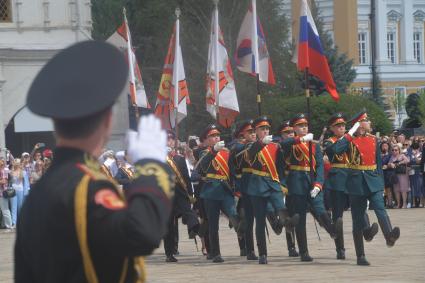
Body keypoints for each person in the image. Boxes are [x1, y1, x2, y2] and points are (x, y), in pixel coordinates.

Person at [15, 41, 173, 283]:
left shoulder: (38, 195)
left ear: (56, 124)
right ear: (108, 120)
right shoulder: (87, 187)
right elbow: (143, 232)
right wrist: (152, 167)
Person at [280, 113, 342, 262]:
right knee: (300, 217)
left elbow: (320, 166)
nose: (304, 128)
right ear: (294, 128)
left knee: (320, 209)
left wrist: (319, 184)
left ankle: (332, 230)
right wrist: (300, 139)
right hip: (297, 183)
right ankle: (304, 251)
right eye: (300, 126)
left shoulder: (314, 145)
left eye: (305, 126)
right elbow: (283, 145)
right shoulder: (291, 143)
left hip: (312, 182)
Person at [341, 111, 400, 265]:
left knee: (380, 208)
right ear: (359, 124)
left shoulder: (374, 141)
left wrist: (380, 184)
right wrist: (350, 133)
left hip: (373, 182)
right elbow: (334, 150)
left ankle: (389, 236)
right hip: (356, 183)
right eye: (366, 120)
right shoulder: (349, 140)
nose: (369, 122)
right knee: (358, 218)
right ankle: (360, 255)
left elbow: (378, 164)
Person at [323, 113, 378, 260]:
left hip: (352, 178)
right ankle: (340, 249)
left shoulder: (353, 139)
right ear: (332, 128)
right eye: (338, 126)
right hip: (337, 182)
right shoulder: (329, 141)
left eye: (343, 125)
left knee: (359, 208)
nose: (342, 128)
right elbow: (333, 151)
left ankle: (366, 231)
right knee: (338, 218)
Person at [245, 116, 299, 264]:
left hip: (273, 183)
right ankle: (262, 253)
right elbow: (250, 155)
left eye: (267, 128)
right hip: (257, 185)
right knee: (260, 221)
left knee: (281, 208)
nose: (265, 131)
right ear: (255, 131)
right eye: (262, 129)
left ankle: (286, 223)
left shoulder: (275, 146)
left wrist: (282, 183)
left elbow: (280, 166)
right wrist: (261, 143)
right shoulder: (251, 146)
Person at [197, 124, 240, 263]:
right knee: (213, 225)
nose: (216, 138)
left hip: (225, 189)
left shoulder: (226, 152)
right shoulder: (204, 153)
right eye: (212, 136)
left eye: (217, 136)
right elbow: (203, 166)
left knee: (233, 214)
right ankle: (216, 253)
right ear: (206, 139)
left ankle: (243, 237)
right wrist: (214, 151)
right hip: (211, 191)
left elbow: (232, 171)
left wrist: (236, 189)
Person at [163, 130, 199, 262]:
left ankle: (194, 229)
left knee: (188, 211)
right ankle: (169, 252)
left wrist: (191, 193)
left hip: (180, 192)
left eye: (172, 138)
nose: (169, 141)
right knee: (169, 225)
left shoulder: (179, 158)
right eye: (166, 139)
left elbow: (186, 177)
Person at [230, 120, 258, 260]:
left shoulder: (259, 145)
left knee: (251, 218)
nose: (253, 134)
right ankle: (248, 249)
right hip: (243, 188)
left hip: (258, 184)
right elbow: (232, 168)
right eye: (250, 132)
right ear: (243, 134)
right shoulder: (238, 148)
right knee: (246, 218)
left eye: (254, 132)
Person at [275, 120, 299, 257]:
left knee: (295, 214)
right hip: (282, 182)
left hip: (296, 182)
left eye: (292, 132)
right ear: (281, 135)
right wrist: (281, 183)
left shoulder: (297, 145)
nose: (290, 134)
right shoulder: (280, 146)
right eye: (287, 132)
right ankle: (291, 247)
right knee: (288, 214)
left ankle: (280, 224)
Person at [388, 143, 410, 208]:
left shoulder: (402, 155)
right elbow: (388, 163)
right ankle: (398, 204)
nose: (394, 151)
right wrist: (390, 164)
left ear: (399, 150)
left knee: (403, 189)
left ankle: (404, 204)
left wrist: (399, 163)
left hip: (403, 174)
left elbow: (407, 160)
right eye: (393, 150)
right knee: (396, 189)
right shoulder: (392, 157)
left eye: (396, 150)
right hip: (395, 174)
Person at [407, 142, 424, 207]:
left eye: (416, 148)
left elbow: (419, 162)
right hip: (412, 172)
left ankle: (421, 202)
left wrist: (415, 155)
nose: (415, 149)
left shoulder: (421, 154)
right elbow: (408, 162)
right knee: (413, 187)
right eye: (413, 148)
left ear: (419, 148)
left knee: (420, 186)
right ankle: (413, 203)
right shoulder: (410, 154)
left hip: (419, 172)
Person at [0, 159, 12, 229]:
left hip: (2, 193)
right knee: (3, 210)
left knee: (5, 210)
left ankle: (9, 225)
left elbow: (4, 181)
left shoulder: (4, 170)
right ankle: (4, 224)